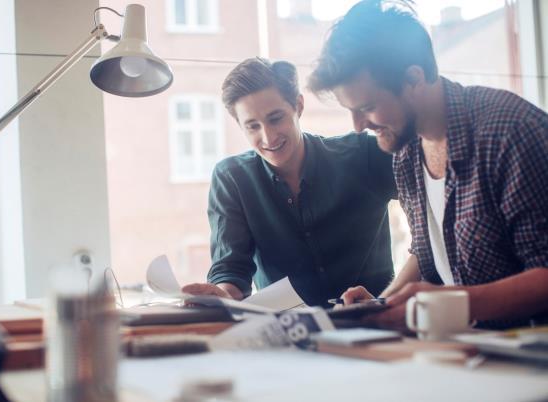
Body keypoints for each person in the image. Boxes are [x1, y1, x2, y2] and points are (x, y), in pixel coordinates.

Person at [307, 0, 548, 328]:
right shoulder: (406, 152)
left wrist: (451, 303)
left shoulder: (509, 131)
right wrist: (383, 304)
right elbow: (427, 251)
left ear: (414, 79)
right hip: (467, 350)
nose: (358, 125)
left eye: (367, 106)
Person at [182, 57, 397, 307]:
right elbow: (231, 269)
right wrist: (223, 295)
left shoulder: (364, 155)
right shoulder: (232, 179)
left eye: (276, 119)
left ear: (298, 105)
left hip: (376, 323)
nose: (268, 137)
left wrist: (391, 297)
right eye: (253, 126)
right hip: (289, 334)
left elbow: (430, 211)